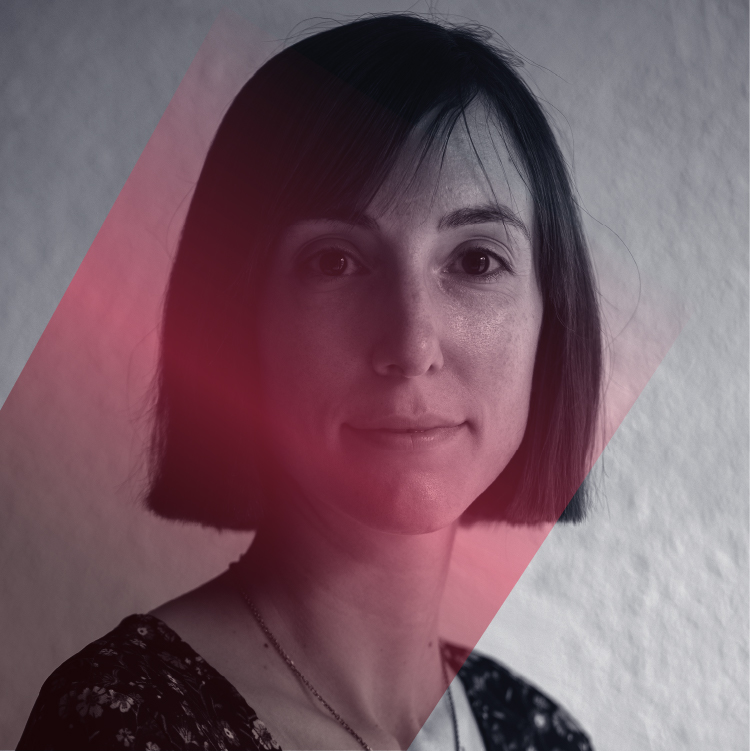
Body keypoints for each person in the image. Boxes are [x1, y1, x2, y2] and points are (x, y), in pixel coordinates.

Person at [17, 14, 601, 751]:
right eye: (335, 261)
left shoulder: (542, 735)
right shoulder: (121, 726)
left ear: (555, 318)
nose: (411, 345)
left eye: (476, 260)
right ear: (238, 318)